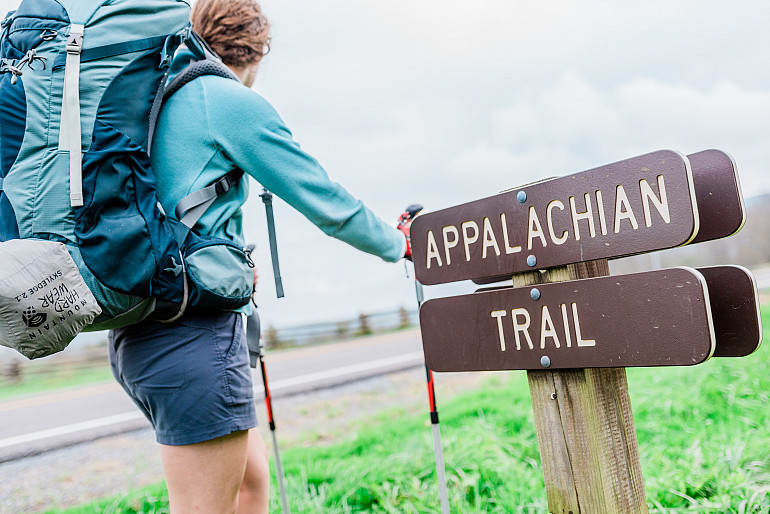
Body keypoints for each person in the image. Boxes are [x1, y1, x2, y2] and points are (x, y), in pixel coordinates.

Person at [107, 0, 415, 513]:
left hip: (140, 336)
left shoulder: (150, 101)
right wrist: (399, 243)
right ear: (255, 52)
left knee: (250, 484)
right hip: (192, 338)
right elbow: (327, 203)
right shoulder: (224, 101)